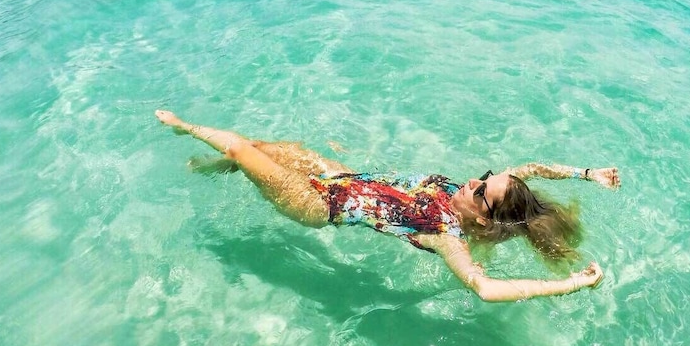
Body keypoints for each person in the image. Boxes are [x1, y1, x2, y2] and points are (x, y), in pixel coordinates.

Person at [155, 110, 621, 303]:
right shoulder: (471, 195)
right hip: (341, 176)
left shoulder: (446, 234)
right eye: (485, 176)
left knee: (240, 149)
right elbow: (533, 168)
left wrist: (571, 284)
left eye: (483, 190)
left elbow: (484, 288)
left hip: (317, 203)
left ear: (482, 214)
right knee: (260, 148)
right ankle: (213, 167)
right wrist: (586, 174)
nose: (475, 181)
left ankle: (183, 127)